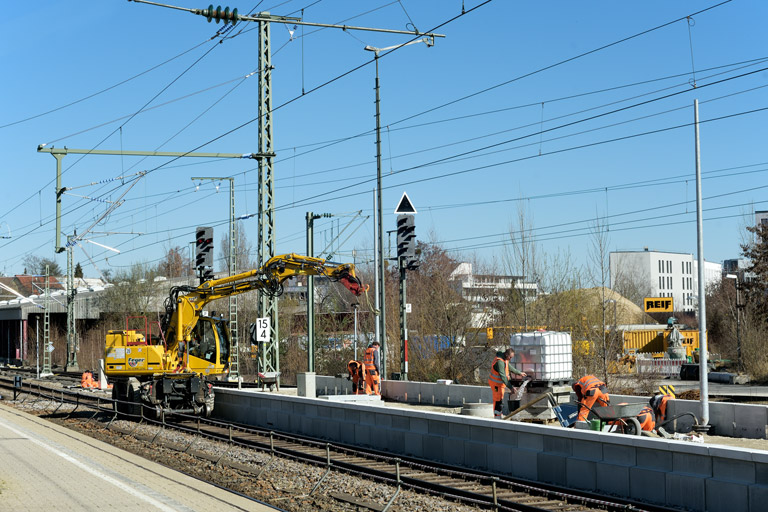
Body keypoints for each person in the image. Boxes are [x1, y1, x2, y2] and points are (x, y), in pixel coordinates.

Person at [488, 348, 527, 419]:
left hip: (500, 384)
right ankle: (497, 417)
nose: (511, 359)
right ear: (506, 354)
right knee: (497, 400)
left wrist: (519, 373)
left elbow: (510, 368)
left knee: (500, 398)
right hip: (496, 384)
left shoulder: (505, 359)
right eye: (510, 357)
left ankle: (499, 415)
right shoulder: (500, 362)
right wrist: (511, 387)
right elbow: (503, 377)